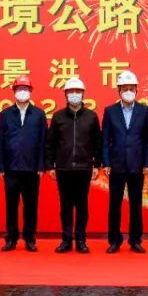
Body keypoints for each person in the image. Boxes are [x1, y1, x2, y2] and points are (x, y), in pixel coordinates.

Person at [45, 77, 101, 253]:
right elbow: (50, 144)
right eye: (71, 91)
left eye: (78, 91)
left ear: (83, 94)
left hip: (84, 169)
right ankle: (66, 240)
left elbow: (97, 143)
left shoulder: (91, 116)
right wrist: (50, 166)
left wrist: (97, 165)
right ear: (66, 94)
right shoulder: (58, 117)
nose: (74, 94)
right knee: (66, 206)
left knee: (82, 206)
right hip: (63, 168)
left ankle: (81, 240)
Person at [101, 70, 148, 254]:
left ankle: (135, 240)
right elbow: (105, 139)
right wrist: (106, 162)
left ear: (137, 90)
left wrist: (147, 163)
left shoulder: (145, 111)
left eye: (131, 88)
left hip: (137, 166)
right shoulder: (110, 111)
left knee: (136, 205)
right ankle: (114, 240)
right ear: (119, 91)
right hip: (116, 165)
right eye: (125, 89)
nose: (128, 92)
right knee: (114, 205)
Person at [0, 75, 47, 252]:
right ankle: (11, 238)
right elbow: (0, 141)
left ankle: (30, 238)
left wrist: (42, 165)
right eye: (19, 89)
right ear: (14, 92)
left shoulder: (39, 114)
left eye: (25, 89)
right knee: (11, 205)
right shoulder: (6, 114)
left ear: (31, 92)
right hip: (11, 168)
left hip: (32, 169)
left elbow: (43, 142)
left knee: (31, 205)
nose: (22, 92)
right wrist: (0, 166)